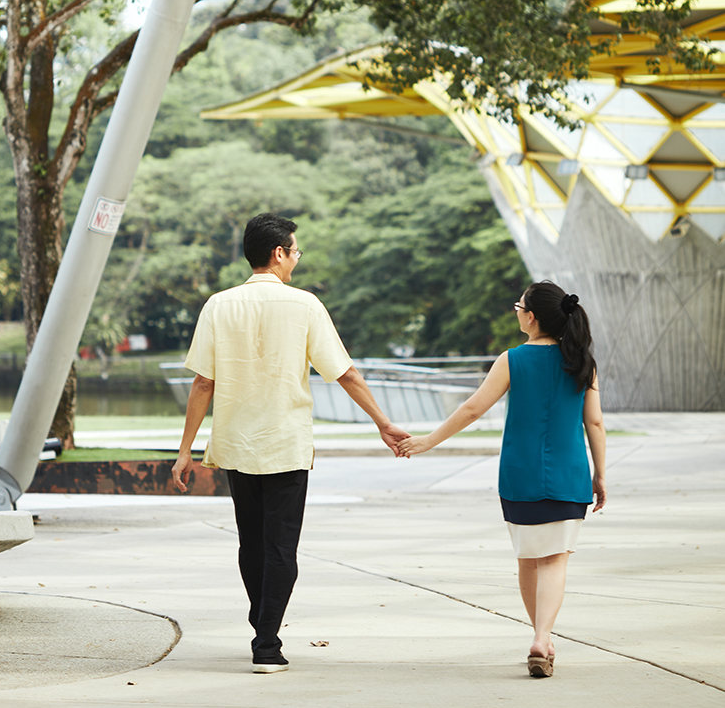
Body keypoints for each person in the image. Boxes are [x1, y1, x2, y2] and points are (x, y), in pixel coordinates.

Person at [172, 212, 410, 673]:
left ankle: (261, 623)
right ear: (278, 252)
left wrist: (186, 450)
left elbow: (203, 382)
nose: (296, 260)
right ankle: (267, 641)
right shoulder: (304, 305)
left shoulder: (219, 305)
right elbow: (344, 372)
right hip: (284, 444)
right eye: (295, 251)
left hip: (237, 444)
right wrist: (382, 422)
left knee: (251, 542)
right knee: (281, 546)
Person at [400, 280, 606, 678]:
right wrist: (600, 473)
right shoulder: (583, 361)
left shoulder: (512, 359)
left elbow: (474, 408)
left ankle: (539, 636)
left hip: (519, 474)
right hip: (569, 474)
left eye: (518, 306)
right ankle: (542, 637)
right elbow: (594, 421)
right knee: (556, 560)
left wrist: (429, 441)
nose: (516, 311)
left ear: (531, 316)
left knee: (529, 559)